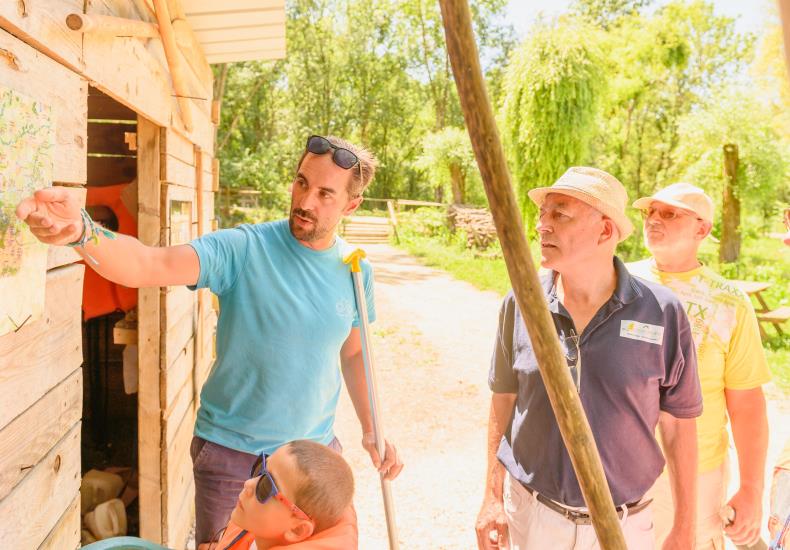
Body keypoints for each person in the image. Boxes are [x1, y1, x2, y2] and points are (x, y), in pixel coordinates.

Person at [15, 134, 403, 546]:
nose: (306, 201)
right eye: (301, 182)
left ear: (351, 204)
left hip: (310, 462)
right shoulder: (243, 248)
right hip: (232, 456)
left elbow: (355, 351)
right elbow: (149, 264)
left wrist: (371, 426)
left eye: (326, 193)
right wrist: (82, 232)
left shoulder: (356, 271)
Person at [475, 167, 702, 550]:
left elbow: (679, 425)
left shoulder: (662, 313)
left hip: (626, 525)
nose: (542, 226)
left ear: (606, 231)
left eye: (560, 214)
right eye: (542, 215)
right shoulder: (521, 304)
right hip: (533, 517)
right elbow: (504, 399)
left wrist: (684, 526)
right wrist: (491, 496)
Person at [629, 182, 771, 549]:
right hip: (616, 465)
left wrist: (752, 489)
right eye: (650, 212)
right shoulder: (617, 282)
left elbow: (747, 406)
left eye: (669, 213)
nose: (654, 220)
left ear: (702, 229)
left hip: (696, 474)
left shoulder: (729, 302)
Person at [210, 440, 357, 550]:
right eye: (261, 468)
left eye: (266, 486)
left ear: (297, 530)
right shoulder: (258, 530)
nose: (248, 483)